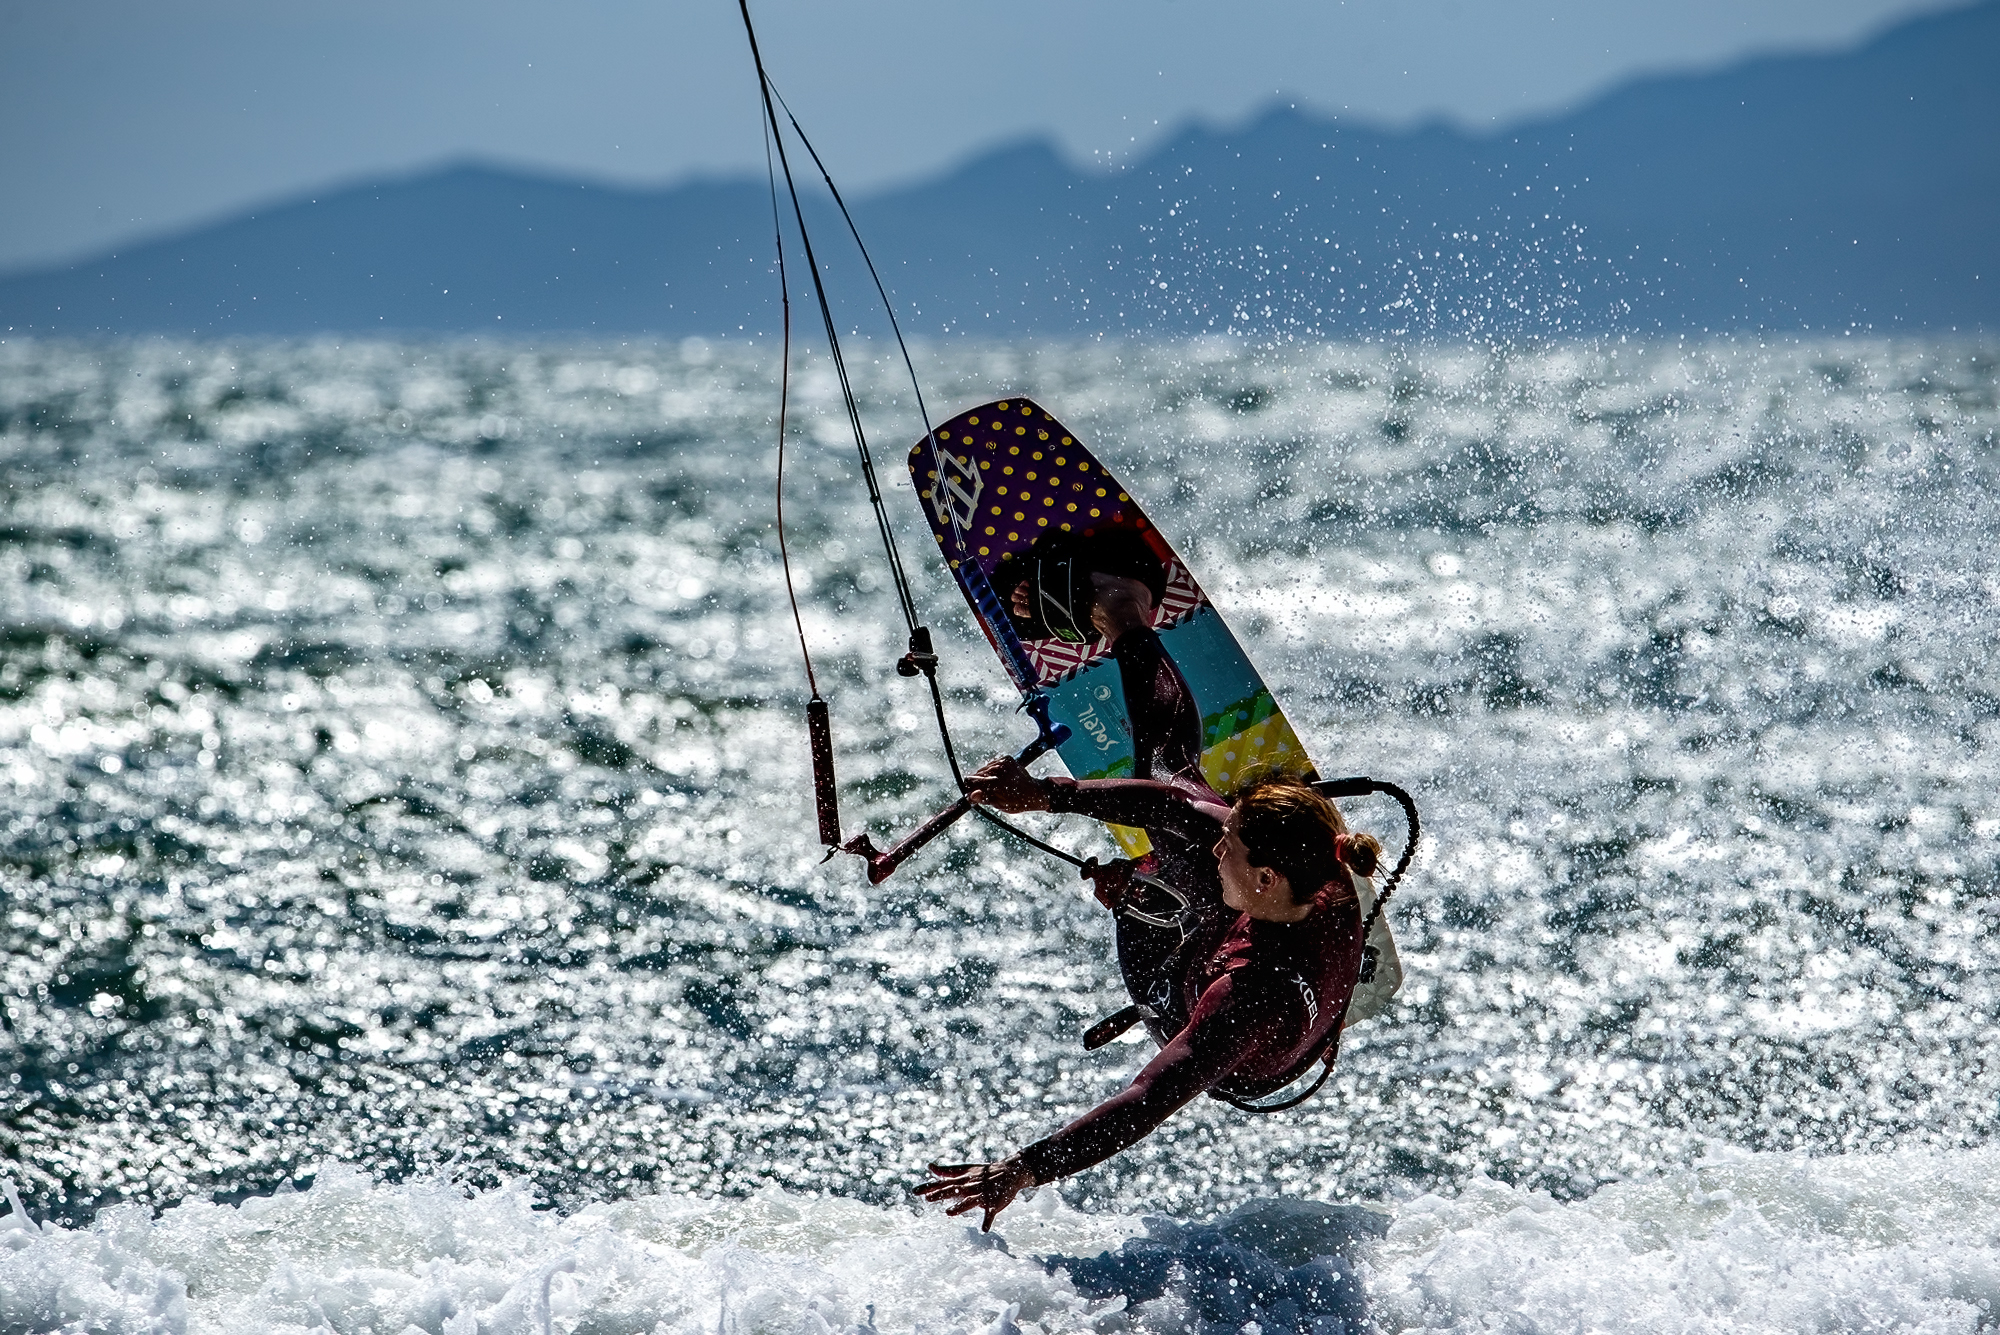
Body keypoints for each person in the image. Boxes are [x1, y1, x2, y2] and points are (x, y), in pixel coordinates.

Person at [915, 761, 1381, 1232]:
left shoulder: (1242, 1001)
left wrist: (1023, 1168)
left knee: (1149, 889)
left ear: (1266, 878)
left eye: (1231, 846)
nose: (1221, 846)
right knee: (1180, 796)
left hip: (1204, 1026)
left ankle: (1140, 894)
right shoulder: (1327, 869)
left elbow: (1146, 1098)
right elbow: (1172, 804)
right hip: (1270, 941)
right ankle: (1166, 864)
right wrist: (1045, 793)